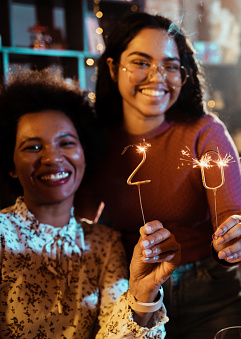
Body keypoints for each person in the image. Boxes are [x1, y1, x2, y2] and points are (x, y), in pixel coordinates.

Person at [75, 12, 241, 339]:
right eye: (141, 62)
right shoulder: (93, 139)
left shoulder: (205, 132)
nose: (157, 76)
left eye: (171, 65)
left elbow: (231, 214)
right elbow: (79, 224)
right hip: (128, 291)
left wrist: (235, 238)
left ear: (184, 74)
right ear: (114, 68)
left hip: (209, 292)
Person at [0, 68, 182, 338]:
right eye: (33, 147)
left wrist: (143, 294)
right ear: (10, 164)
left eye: (66, 142)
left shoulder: (103, 244)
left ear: (85, 153)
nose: (53, 158)